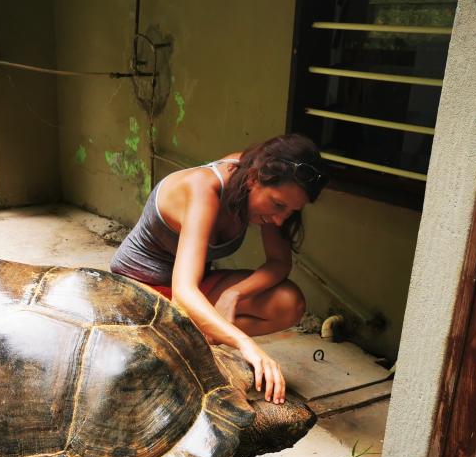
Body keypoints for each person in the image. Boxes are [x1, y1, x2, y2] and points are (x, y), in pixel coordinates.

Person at [110, 133, 328, 406]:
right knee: (206, 322)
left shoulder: (262, 173)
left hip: (189, 285)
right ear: (252, 179)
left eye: (292, 211)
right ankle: (176, 343)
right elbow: (183, 294)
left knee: (288, 302)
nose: (280, 219)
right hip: (138, 289)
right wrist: (244, 343)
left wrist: (233, 294)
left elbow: (279, 262)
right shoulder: (204, 187)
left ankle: (184, 343)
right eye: (278, 205)